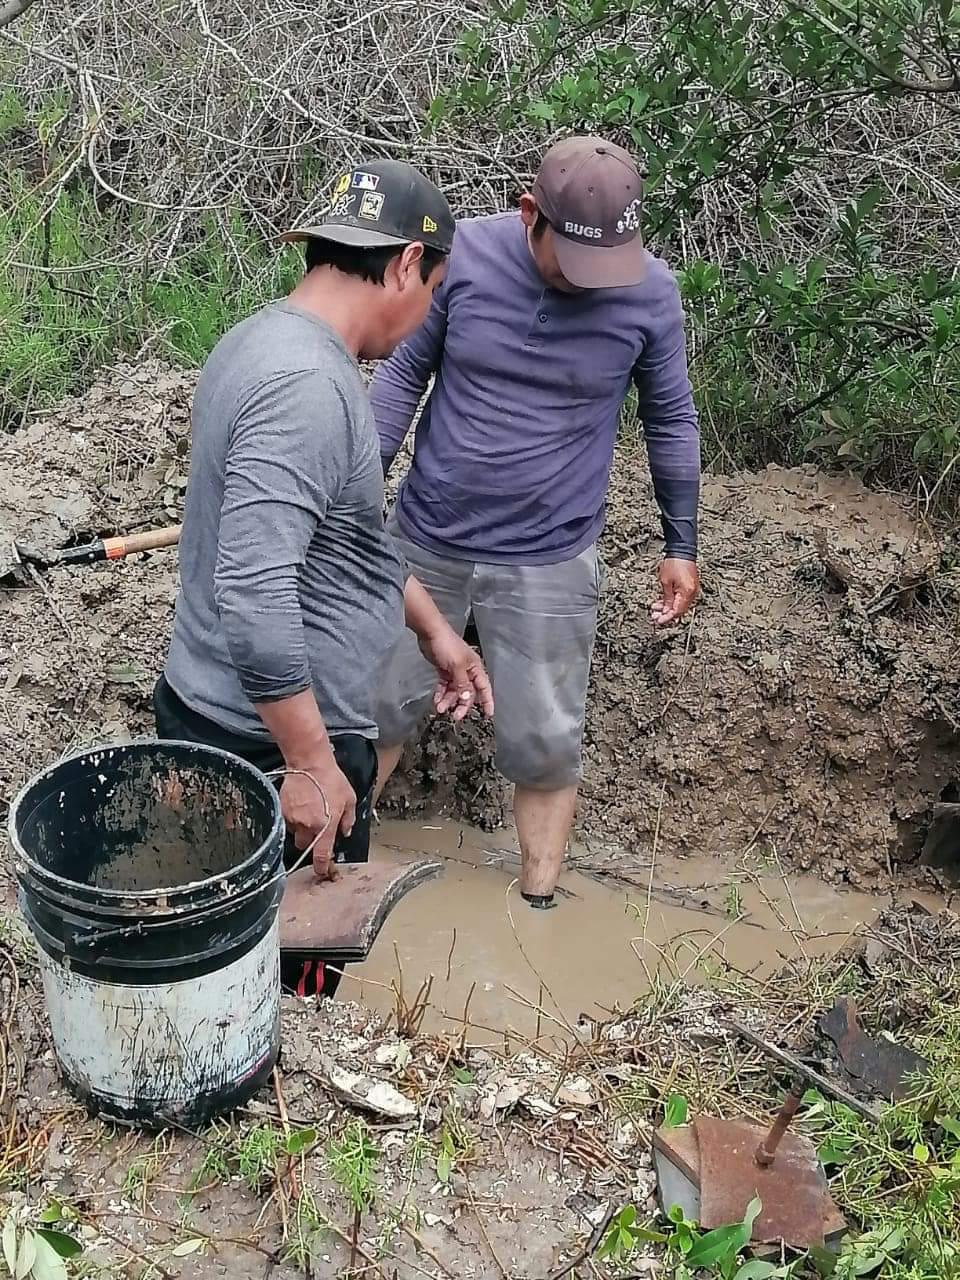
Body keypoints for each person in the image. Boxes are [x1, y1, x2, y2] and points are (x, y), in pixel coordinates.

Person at [154, 159, 493, 996]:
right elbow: (258, 593)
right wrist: (309, 762)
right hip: (261, 744)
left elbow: (344, 536)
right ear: (409, 266)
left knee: (217, 963)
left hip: (234, 719)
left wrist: (432, 628)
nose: (420, 325)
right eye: (431, 296)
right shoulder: (308, 387)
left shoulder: (264, 338)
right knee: (263, 990)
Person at [370, 136, 701, 908]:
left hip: (551, 555)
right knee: (373, 706)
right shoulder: (465, 258)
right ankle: (336, 872)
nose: (591, 285)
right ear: (529, 215)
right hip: (427, 537)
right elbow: (401, 380)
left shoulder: (650, 293)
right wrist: (351, 496)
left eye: (606, 267)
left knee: (546, 742)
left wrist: (680, 542)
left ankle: (538, 908)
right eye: (573, 264)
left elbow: (671, 417)